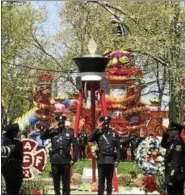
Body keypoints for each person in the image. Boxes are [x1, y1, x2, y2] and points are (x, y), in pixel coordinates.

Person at [40, 114, 78, 195]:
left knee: (66, 182)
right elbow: (42, 137)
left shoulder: (70, 132)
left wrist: (74, 159)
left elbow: (76, 145)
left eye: (62, 123)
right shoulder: (53, 132)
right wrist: (50, 128)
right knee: (56, 181)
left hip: (66, 160)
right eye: (59, 123)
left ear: (64, 123)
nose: (60, 125)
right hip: (55, 159)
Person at [88, 116, 120, 195]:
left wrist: (117, 160)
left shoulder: (114, 133)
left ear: (109, 123)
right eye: (104, 122)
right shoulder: (98, 133)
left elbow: (118, 148)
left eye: (107, 122)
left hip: (110, 158)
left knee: (109, 181)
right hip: (101, 158)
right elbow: (89, 139)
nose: (106, 124)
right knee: (101, 180)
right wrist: (97, 128)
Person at [161, 121, 185, 195]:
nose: (169, 132)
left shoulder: (178, 143)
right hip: (172, 173)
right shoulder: (173, 142)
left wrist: (171, 176)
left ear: (176, 131)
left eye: (170, 130)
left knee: (176, 192)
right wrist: (164, 137)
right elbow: (164, 145)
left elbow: (176, 161)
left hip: (176, 175)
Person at [1, 123, 23, 195]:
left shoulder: (3, 143)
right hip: (15, 169)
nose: (17, 133)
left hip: (5, 167)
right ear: (13, 133)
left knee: (9, 188)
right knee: (15, 189)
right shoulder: (18, 143)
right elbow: (21, 157)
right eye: (16, 132)